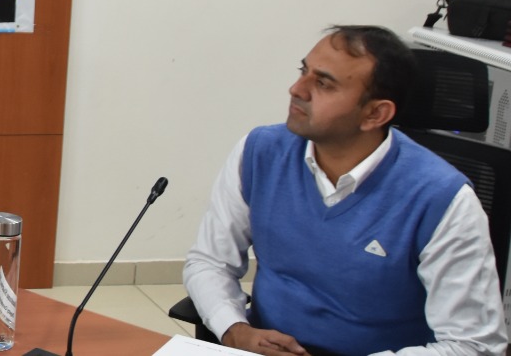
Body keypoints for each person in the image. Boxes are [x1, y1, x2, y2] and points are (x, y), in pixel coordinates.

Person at [184, 26, 508, 356]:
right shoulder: (260, 152)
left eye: (323, 83)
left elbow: (476, 345)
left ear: (375, 113)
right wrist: (235, 331)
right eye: (303, 71)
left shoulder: (442, 198)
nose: (297, 89)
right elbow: (210, 262)